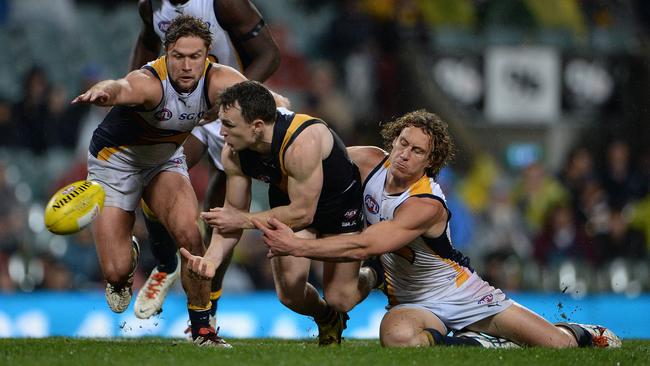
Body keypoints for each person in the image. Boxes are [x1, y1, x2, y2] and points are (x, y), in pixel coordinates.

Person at [253, 110, 622, 349]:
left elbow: (364, 243)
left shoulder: (425, 204)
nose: (404, 154)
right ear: (392, 140)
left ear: (431, 161)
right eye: (402, 143)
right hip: (411, 301)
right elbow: (316, 162)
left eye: (417, 151)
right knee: (395, 338)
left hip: (460, 292)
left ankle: (581, 331)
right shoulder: (366, 162)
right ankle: (388, 285)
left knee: (558, 348)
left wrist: (296, 245)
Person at [71, 15, 273, 347]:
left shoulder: (220, 80)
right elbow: (123, 87)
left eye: (195, 56)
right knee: (117, 273)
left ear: (208, 55)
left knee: (191, 237)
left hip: (164, 159)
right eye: (178, 56)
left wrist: (277, 106)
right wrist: (105, 90)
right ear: (166, 54)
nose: (186, 65)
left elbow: (257, 98)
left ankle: (202, 330)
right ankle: (132, 256)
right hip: (115, 162)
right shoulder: (150, 81)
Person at [180, 80, 374, 346]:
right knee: (290, 296)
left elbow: (303, 214)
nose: (221, 132)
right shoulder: (233, 152)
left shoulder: (301, 142)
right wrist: (210, 261)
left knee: (341, 298)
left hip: (337, 207)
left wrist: (244, 220)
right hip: (289, 204)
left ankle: (374, 273)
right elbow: (232, 217)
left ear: (257, 127)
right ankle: (327, 318)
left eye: (229, 125)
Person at [129, 0, 280, 323]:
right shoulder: (150, 6)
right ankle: (166, 263)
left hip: (234, 111)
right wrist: (132, 90)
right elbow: (146, 40)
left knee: (221, 219)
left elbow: (270, 54)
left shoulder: (223, 4)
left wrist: (232, 101)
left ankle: (209, 307)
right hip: (188, 111)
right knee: (154, 176)